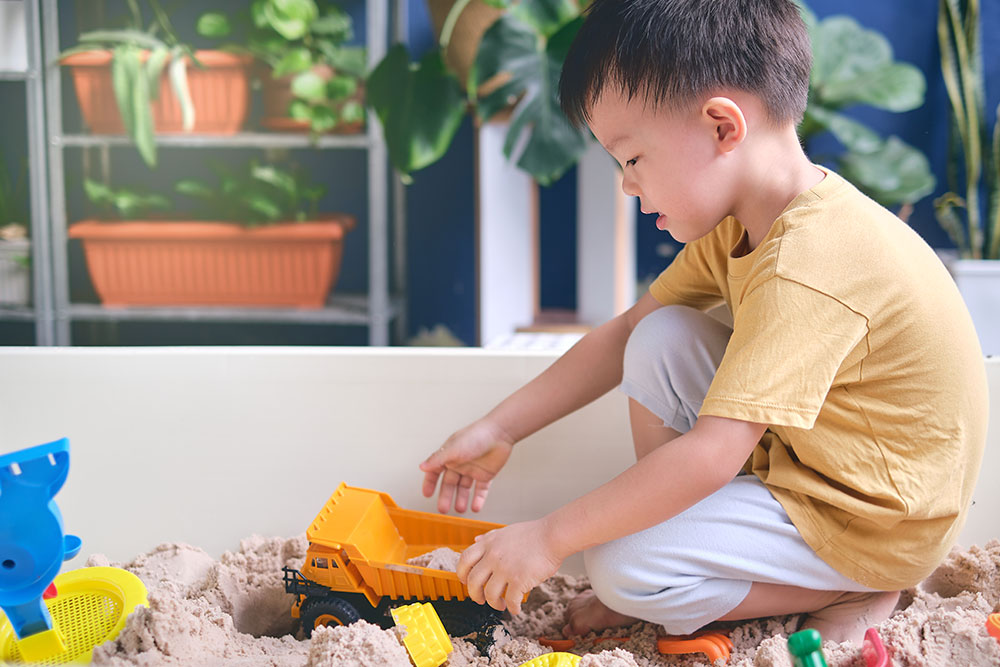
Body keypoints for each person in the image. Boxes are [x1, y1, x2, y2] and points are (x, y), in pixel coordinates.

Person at [419, 0, 988, 646]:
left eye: (632, 159)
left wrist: (550, 537)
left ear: (722, 126)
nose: (628, 187)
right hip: (823, 466)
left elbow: (714, 454)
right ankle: (686, 560)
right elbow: (627, 330)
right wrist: (500, 427)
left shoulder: (808, 263)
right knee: (657, 337)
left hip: (878, 521)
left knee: (617, 565)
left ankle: (849, 584)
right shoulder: (748, 224)